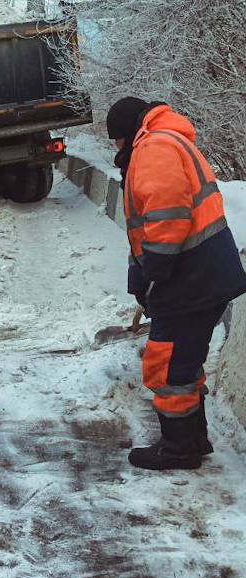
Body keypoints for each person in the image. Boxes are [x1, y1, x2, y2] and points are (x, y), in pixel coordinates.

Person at [106, 97, 246, 471]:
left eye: (116, 141)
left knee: (165, 365)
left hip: (190, 278)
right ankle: (194, 440)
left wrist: (156, 271)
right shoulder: (166, 140)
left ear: (126, 132)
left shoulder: (154, 147)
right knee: (183, 360)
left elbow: (167, 214)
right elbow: (147, 225)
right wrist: (141, 277)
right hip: (201, 275)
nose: (116, 149)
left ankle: (179, 449)